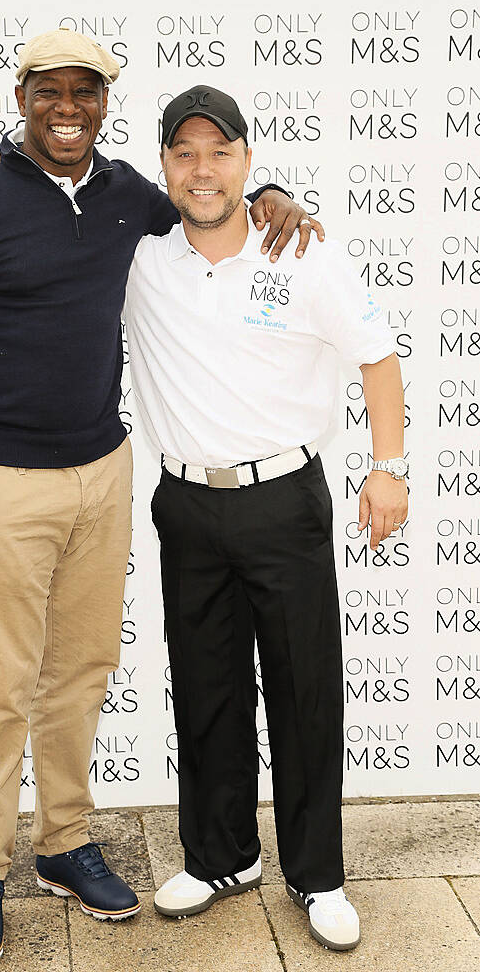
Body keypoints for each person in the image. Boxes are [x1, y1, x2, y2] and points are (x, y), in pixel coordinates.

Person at [0, 29, 316, 968]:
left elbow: (206, 198)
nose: (69, 107)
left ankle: (64, 841)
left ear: (104, 103)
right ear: (23, 98)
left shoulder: (126, 196)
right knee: (3, 688)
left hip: (104, 472)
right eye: (51, 91)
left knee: (80, 673)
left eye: (86, 91)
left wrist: (275, 195)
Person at [118, 86, 409, 951]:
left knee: (303, 691)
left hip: (283, 499)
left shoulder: (303, 251)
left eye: (220, 152)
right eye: (183, 154)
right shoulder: (142, 259)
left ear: (248, 161)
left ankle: (316, 876)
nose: (201, 170)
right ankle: (219, 857)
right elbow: (66, 186)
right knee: (205, 691)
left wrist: (386, 469)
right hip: (185, 504)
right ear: (165, 166)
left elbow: (377, 355)